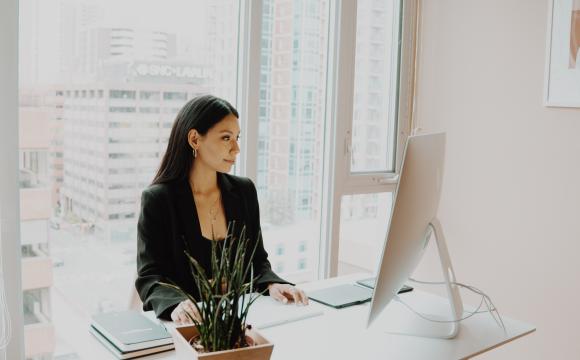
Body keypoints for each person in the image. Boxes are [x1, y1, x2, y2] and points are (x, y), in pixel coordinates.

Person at [135, 94, 308, 325]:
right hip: (189, 326)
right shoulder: (159, 200)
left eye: (237, 138)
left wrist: (271, 283)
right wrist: (176, 303)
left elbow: (257, 260)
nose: (236, 148)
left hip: (242, 322)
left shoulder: (244, 191)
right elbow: (150, 276)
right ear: (195, 139)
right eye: (226, 138)